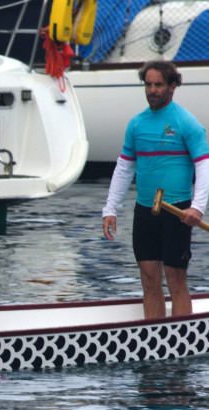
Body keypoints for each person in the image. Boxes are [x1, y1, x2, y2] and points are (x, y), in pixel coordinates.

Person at [102, 60, 209, 319]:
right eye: (148, 84)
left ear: (172, 87)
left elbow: (204, 166)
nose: (152, 90)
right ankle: (155, 338)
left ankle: (182, 339)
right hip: (145, 212)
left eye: (158, 85)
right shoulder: (136, 125)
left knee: (175, 279)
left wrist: (197, 207)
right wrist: (110, 209)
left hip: (178, 212)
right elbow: (124, 168)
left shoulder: (187, 123)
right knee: (149, 279)